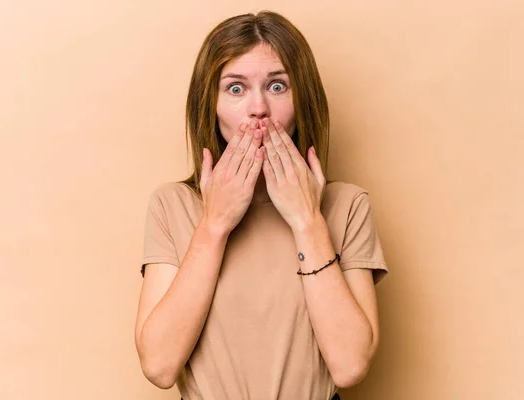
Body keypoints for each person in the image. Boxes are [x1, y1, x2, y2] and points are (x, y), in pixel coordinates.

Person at [134, 10, 388, 400]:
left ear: (303, 99)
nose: (258, 109)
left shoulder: (347, 205)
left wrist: (307, 220)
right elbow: (160, 366)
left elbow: (350, 365)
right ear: (211, 104)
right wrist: (214, 224)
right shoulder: (173, 205)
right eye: (235, 89)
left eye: (277, 86)